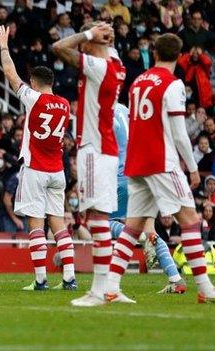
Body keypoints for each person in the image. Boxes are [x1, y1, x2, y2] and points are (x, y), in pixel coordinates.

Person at [104, 33, 215, 305]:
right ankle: (205, 288)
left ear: (154, 53)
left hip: (136, 164)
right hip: (160, 162)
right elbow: (178, 132)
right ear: (179, 57)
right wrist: (191, 167)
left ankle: (111, 287)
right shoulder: (173, 84)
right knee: (189, 220)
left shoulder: (138, 82)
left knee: (131, 228)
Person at [0, 25, 77, 291]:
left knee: (36, 225)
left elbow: (9, 73)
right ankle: (69, 277)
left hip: (35, 169)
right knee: (59, 224)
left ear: (34, 83)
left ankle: (41, 280)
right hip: (58, 171)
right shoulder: (65, 105)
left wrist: (4, 46)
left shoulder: (33, 99)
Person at [52, 22, 126, 306]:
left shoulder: (99, 67)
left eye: (85, 43)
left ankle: (98, 291)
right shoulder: (116, 61)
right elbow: (107, 42)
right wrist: (101, 34)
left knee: (96, 220)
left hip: (94, 150)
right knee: (101, 219)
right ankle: (111, 288)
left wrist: (88, 34)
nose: (81, 46)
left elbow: (59, 47)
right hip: (106, 149)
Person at [109, 102, 188, 294]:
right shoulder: (127, 111)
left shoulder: (102, 112)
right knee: (150, 231)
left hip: (120, 176)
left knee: (102, 223)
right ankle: (175, 279)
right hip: (143, 174)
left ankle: (141, 238)